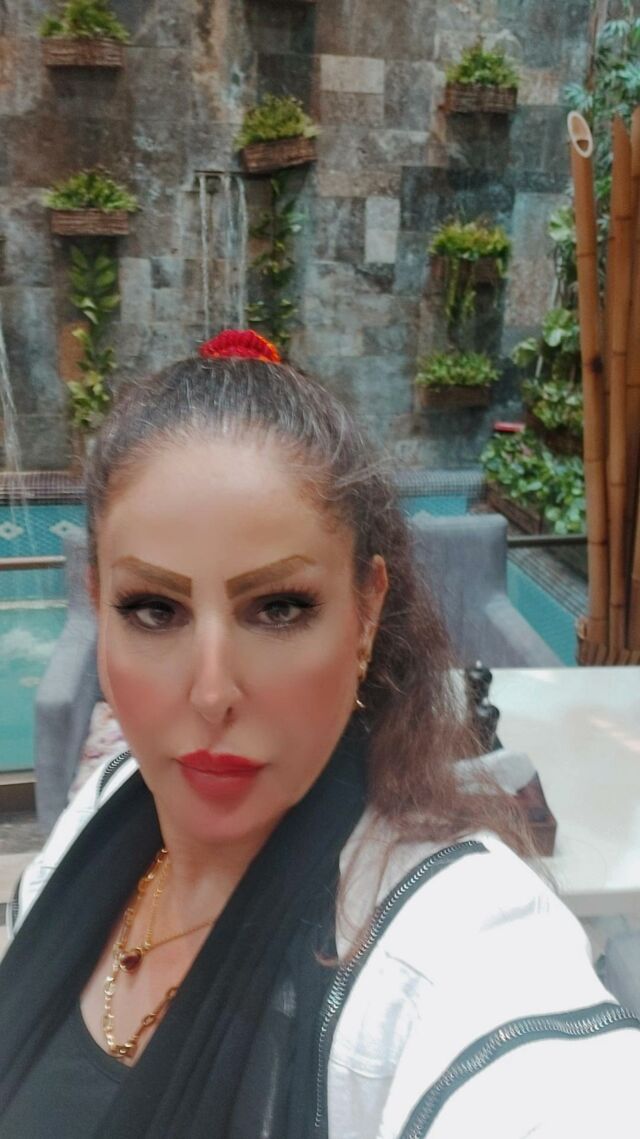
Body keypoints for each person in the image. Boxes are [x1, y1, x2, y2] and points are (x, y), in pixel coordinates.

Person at [0, 329, 638, 1138]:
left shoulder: (445, 945)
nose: (211, 692)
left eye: (278, 607)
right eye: (153, 609)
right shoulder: (102, 806)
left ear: (366, 610)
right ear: (99, 602)